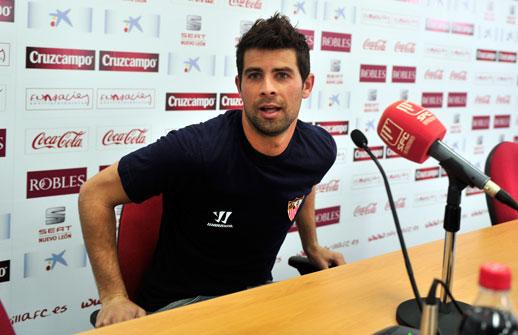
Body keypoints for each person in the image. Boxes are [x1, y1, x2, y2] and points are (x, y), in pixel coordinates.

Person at [79, 13, 345, 328]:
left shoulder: (319, 148)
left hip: (255, 297)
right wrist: (112, 297)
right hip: (180, 306)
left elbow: (306, 182)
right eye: (255, 75)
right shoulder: (197, 148)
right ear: (239, 85)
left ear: (307, 85)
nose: (267, 88)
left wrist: (310, 244)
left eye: (283, 75)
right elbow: (94, 194)